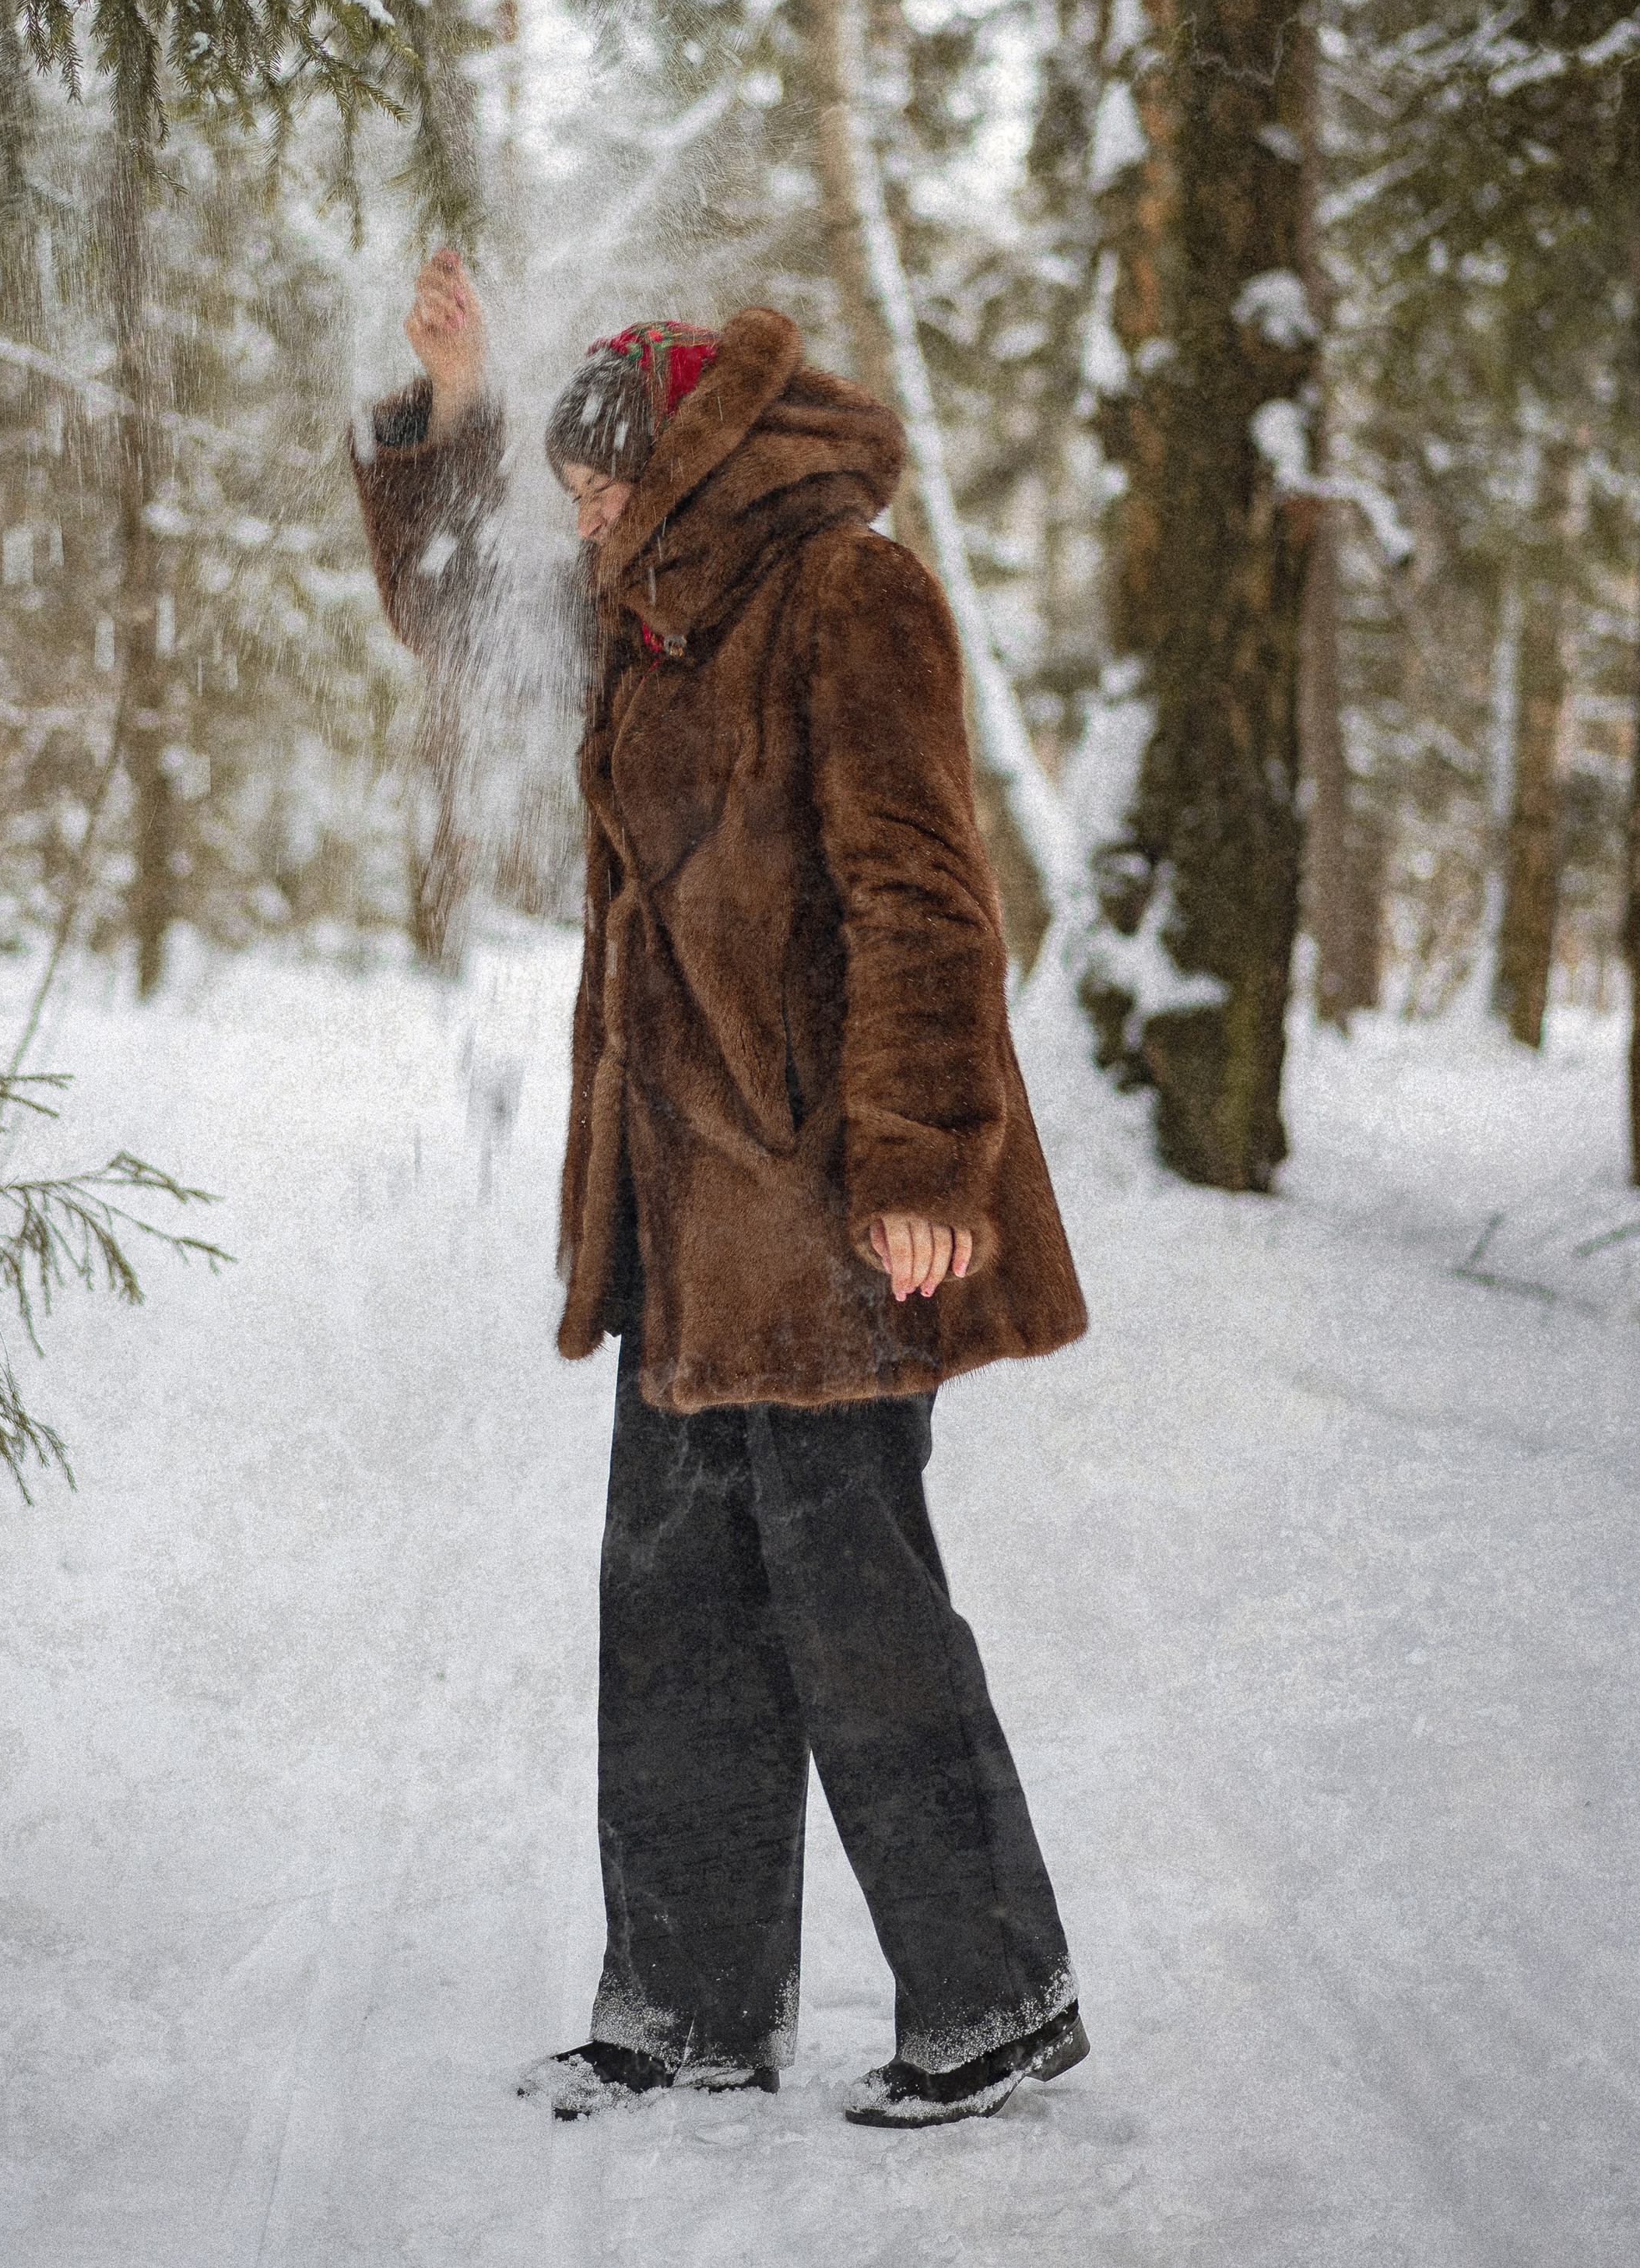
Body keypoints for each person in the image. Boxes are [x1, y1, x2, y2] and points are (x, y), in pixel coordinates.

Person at [353, 248, 1090, 2128]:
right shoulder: (647, 614)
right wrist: (452, 411)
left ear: (690, 467)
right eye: (576, 495)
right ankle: (683, 2012)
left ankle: (993, 2000)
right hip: (686, 1217)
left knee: (857, 1603)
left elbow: (928, 892)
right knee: (674, 1599)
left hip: (836, 1205)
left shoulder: (846, 591)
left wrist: (925, 1163)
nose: (583, 520)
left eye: (603, 487)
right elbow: (459, 614)